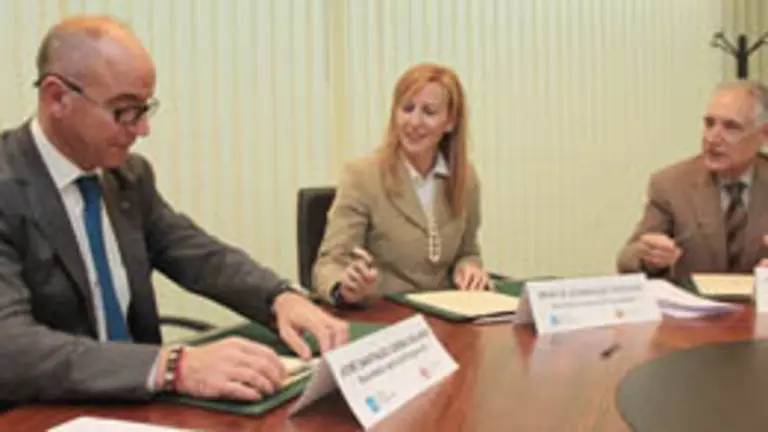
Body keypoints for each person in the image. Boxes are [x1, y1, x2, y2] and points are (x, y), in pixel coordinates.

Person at [0, 15, 348, 406]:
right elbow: (11, 348)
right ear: (56, 97)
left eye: (145, 108)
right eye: (124, 110)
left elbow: (197, 255)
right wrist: (173, 366)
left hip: (140, 408)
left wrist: (279, 296)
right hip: (41, 412)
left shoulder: (128, 177)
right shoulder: (8, 184)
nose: (142, 129)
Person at [312, 63, 491, 306]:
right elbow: (329, 264)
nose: (414, 122)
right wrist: (344, 286)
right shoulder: (362, 176)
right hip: (384, 320)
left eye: (428, 112)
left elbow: (467, 252)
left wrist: (469, 269)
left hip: (446, 320)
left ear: (450, 121)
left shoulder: (465, 178)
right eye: (407, 109)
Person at [617, 80, 768, 282]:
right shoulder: (671, 184)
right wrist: (648, 257)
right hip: (694, 309)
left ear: (763, 135)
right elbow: (626, 260)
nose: (713, 138)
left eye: (731, 127)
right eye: (709, 124)